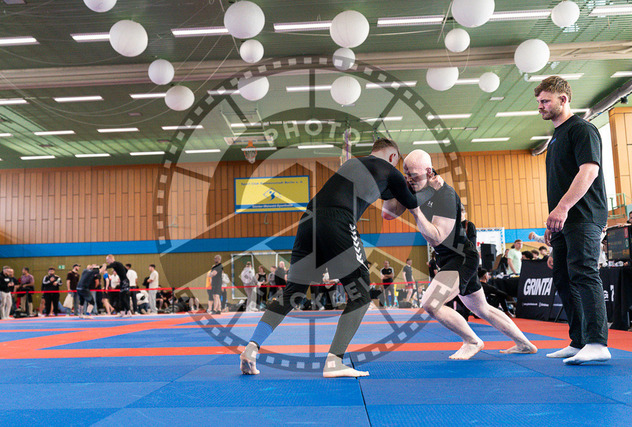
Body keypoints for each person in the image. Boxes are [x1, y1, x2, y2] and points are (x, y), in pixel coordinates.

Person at [240, 138, 430, 378]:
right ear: (393, 157)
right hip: (338, 219)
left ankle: (251, 348)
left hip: (309, 219)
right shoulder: (390, 171)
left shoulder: (352, 164)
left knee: (293, 293)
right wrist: (428, 183)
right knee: (361, 295)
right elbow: (410, 202)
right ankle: (334, 361)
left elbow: (388, 199)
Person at [383, 149, 537, 360]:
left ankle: (472, 341)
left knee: (430, 303)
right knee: (482, 308)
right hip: (447, 258)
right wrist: (395, 187)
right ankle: (525, 344)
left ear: (429, 171)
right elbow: (388, 213)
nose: (410, 180)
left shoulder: (445, 195)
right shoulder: (415, 187)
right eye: (406, 174)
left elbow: (437, 237)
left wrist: (415, 211)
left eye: (414, 176)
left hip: (461, 257)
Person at [535, 76, 610, 364]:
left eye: (545, 101)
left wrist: (563, 208)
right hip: (563, 220)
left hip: (584, 216)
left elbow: (589, 171)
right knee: (563, 278)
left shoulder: (582, 129)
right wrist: (553, 220)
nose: (540, 106)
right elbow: (559, 183)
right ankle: (579, 341)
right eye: (539, 102)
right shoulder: (555, 139)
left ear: (563, 99)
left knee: (584, 273)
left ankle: (597, 342)